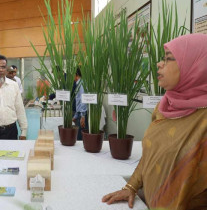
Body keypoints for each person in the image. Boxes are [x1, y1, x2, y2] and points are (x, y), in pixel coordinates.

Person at [102, 34, 207, 210]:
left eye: (168, 59)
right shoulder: (165, 106)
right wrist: (131, 186)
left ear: (195, 67)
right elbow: (150, 155)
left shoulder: (203, 120)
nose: (159, 64)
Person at [0, 55, 27, 150]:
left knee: (11, 160)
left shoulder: (13, 85)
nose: (1, 70)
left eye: (3, 67)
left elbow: (20, 109)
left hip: (11, 131)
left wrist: (24, 131)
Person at [72, 68, 88, 140]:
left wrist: (82, 116)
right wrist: (76, 115)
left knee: (81, 138)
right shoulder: (78, 83)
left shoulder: (81, 84)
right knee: (78, 137)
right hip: (79, 114)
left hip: (82, 115)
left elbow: (83, 100)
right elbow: (78, 101)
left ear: (76, 75)